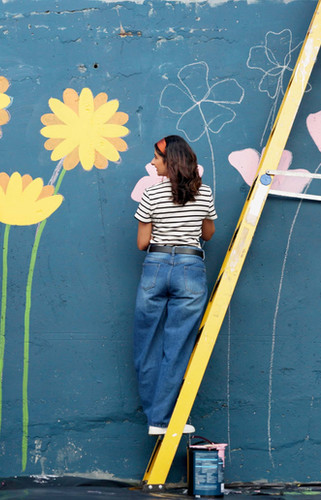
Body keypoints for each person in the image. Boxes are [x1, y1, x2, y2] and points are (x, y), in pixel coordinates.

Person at [133, 135, 217, 435]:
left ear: (170, 162)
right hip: (190, 267)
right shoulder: (204, 193)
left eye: (156, 157)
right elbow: (208, 234)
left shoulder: (151, 195)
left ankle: (155, 419)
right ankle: (162, 419)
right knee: (177, 347)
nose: (153, 162)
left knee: (147, 346)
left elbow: (143, 243)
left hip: (155, 266)